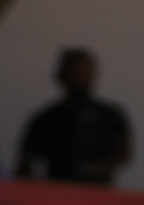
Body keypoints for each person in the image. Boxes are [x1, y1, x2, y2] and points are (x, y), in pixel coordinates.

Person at [15, 48, 131, 186]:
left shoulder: (108, 115)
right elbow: (26, 162)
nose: (81, 76)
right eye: (76, 72)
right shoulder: (46, 119)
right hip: (58, 192)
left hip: (98, 192)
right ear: (63, 75)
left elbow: (123, 152)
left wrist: (98, 169)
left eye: (85, 71)